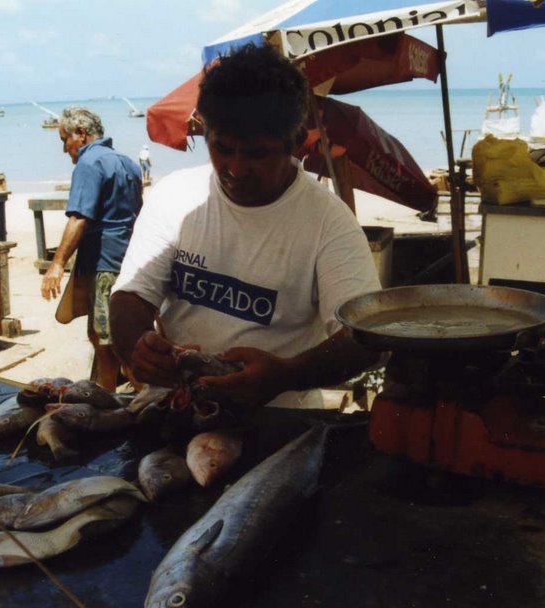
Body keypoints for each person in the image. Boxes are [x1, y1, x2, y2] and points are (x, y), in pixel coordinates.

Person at [109, 44, 384, 408]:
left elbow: (363, 339)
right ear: (204, 131)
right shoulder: (173, 196)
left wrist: (285, 374)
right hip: (175, 409)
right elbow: (130, 296)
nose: (235, 168)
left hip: (279, 423)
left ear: (298, 141)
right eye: (222, 148)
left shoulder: (329, 223)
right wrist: (138, 346)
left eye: (257, 154)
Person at [41, 106, 143, 391]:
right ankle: (112, 397)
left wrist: (57, 264)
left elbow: (79, 217)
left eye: (65, 140)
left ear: (82, 135)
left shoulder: (89, 164)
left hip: (104, 264)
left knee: (109, 343)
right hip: (130, 260)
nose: (65, 149)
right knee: (111, 335)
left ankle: (131, 399)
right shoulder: (128, 163)